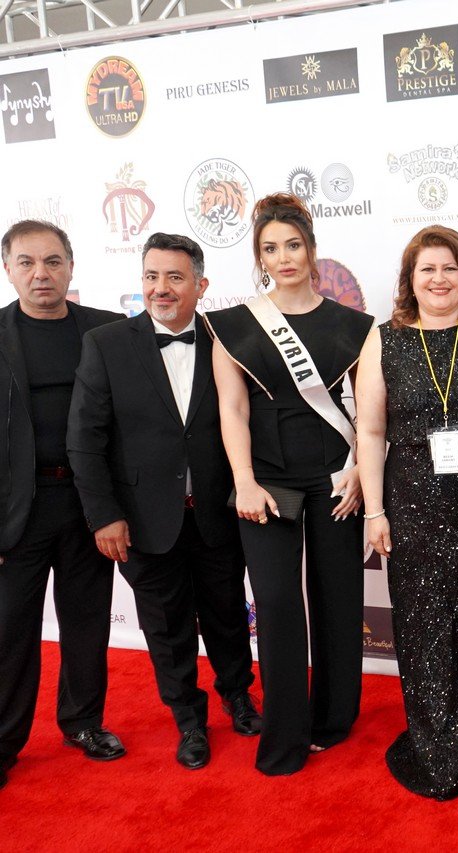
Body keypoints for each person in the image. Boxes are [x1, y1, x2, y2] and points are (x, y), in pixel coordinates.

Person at [66, 233, 261, 771]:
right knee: (166, 627)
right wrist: (104, 515)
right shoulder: (106, 344)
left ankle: (238, 696)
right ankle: (189, 721)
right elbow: (85, 439)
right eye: (152, 276)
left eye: (175, 277)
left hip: (219, 513)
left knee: (227, 614)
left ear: (201, 284)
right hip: (143, 519)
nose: (161, 288)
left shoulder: (228, 340)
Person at [206, 193, 373, 776]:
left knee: (337, 598)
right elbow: (232, 410)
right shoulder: (233, 325)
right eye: (271, 248)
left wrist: (361, 468)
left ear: (312, 249)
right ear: (259, 257)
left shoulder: (354, 326)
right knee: (276, 604)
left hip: (336, 476)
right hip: (266, 481)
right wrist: (244, 481)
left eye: (293, 245)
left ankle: (333, 718)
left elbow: (370, 412)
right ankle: (284, 732)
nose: (284, 257)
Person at [355, 226, 458, 799]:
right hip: (411, 497)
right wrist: (375, 511)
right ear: (410, 280)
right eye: (427, 269)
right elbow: (371, 431)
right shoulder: (384, 340)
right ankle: (434, 735)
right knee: (421, 620)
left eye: (449, 267)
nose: (439, 279)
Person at [0, 221, 124, 790]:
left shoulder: (108, 331)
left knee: (86, 623)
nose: (40, 274)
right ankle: (4, 742)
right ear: (8, 269)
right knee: (9, 633)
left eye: (52, 261)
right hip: (15, 512)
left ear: (71, 266)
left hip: (86, 503)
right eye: (26, 263)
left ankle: (83, 723)